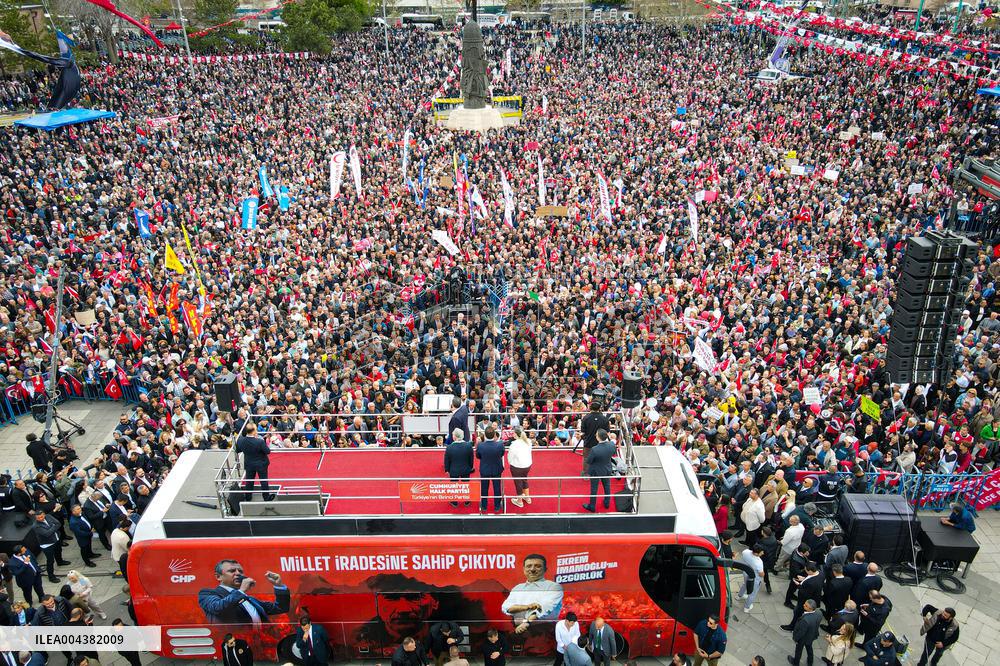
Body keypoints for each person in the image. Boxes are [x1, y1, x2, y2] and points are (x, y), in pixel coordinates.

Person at [197, 559, 290, 624]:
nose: (238, 573)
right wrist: (241, 591)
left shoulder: (249, 599)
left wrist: (278, 586)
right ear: (218, 576)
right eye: (232, 571)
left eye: (240, 571)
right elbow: (218, 608)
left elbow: (281, 608)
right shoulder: (207, 593)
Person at [236, 424, 273, 501]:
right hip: (261, 464)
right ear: (253, 431)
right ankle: (266, 497)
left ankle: (248, 497)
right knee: (263, 481)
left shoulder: (240, 440)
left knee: (249, 481)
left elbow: (238, 450)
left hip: (249, 463)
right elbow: (267, 451)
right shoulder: (259, 442)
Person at [582, 429, 616, 512]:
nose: (595, 436)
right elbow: (613, 453)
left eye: (596, 435)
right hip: (607, 469)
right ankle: (607, 503)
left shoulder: (594, 449)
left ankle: (592, 506)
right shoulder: (611, 444)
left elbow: (589, 461)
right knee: (607, 486)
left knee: (594, 489)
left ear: (598, 437)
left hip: (596, 471)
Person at [32, 509, 70, 583]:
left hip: (56, 539)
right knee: (50, 560)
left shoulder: (48, 516)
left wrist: (52, 527)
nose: (40, 518)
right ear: (36, 518)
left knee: (58, 551)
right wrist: (53, 526)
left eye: (42, 516)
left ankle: (60, 561)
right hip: (47, 545)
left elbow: (58, 523)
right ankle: (51, 576)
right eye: (38, 518)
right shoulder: (36, 526)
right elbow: (47, 534)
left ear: (44, 515)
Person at [476, 426, 505, 513]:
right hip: (496, 469)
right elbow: (502, 454)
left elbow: (478, 456)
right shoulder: (500, 445)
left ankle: (484, 506)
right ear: (494, 435)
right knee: (497, 488)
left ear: (485, 435)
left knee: (484, 488)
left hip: (485, 470)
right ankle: (497, 506)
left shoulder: (480, 445)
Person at [443, 428, 474, 507]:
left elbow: (447, 460)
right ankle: (467, 500)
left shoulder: (449, 447)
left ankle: (454, 501)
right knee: (466, 484)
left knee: (454, 486)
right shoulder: (468, 446)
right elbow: (471, 459)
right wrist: (470, 467)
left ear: (455, 437)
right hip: (466, 469)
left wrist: (447, 469)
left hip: (453, 470)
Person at [579, 400, 610, 475]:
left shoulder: (586, 418)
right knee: (599, 459)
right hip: (600, 442)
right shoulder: (604, 418)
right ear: (600, 408)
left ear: (590, 408)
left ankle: (585, 473)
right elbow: (607, 432)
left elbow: (583, 432)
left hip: (588, 442)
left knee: (586, 458)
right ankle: (598, 473)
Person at [788, 599, 821, 666]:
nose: (803, 605)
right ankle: (810, 661)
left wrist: (795, 638)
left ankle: (796, 662)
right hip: (812, 635)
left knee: (798, 651)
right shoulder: (819, 613)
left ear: (810, 608)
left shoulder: (805, 620)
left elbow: (801, 632)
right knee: (809, 648)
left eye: (805, 605)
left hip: (803, 639)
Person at [508, 426, 534, 508]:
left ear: (515, 434)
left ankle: (519, 501)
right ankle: (527, 497)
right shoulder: (529, 441)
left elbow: (510, 457)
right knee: (524, 479)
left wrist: (511, 463)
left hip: (517, 466)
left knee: (518, 482)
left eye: (513, 432)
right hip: (527, 465)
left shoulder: (514, 445)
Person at [737, 545, 765, 612]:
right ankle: (747, 607)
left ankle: (739, 596)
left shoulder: (745, 552)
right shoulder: (759, 562)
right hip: (754, 578)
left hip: (745, 573)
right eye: (761, 552)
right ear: (756, 553)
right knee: (752, 593)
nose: (763, 553)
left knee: (745, 584)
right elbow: (761, 574)